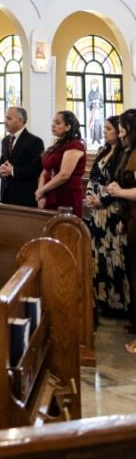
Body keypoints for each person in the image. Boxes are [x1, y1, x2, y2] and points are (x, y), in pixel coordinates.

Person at [85, 116, 130, 322]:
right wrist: (89, 196)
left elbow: (118, 182)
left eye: (110, 128)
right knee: (99, 253)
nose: (105, 131)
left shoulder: (122, 154)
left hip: (112, 210)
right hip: (97, 212)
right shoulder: (104, 150)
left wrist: (101, 200)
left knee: (114, 254)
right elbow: (93, 177)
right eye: (104, 128)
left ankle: (117, 302)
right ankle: (102, 299)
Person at [107, 109, 136, 352]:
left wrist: (119, 192)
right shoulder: (129, 151)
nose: (121, 133)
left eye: (124, 128)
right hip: (130, 217)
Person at [35, 110, 87, 217]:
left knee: (65, 230)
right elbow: (45, 171)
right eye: (53, 122)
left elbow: (64, 175)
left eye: (58, 123)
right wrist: (41, 193)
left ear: (68, 127)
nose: (53, 125)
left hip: (67, 195)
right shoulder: (57, 145)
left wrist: (42, 191)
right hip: (50, 191)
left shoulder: (75, 145)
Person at [0, 106, 44, 208]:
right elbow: (3, 161)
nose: (5, 121)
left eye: (9, 118)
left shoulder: (34, 141)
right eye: (5, 118)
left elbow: (36, 169)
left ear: (21, 120)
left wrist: (13, 171)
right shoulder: (5, 140)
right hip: (5, 195)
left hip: (23, 196)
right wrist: (0, 170)